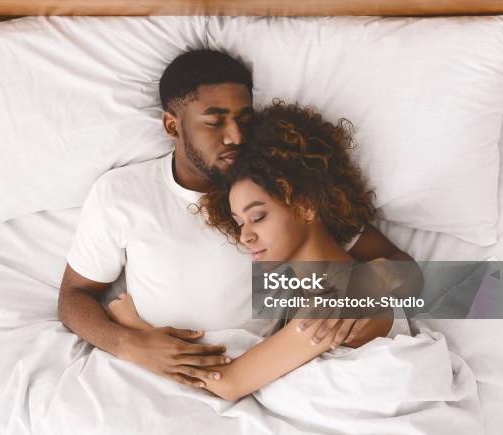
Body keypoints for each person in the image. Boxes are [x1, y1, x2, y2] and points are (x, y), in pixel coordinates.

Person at [58, 49, 422, 390]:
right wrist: (129, 342)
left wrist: (368, 287)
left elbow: (408, 271)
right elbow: (73, 296)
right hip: (156, 369)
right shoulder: (123, 192)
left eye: (244, 120)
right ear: (172, 126)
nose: (234, 136)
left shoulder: (281, 191)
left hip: (258, 370)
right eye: (214, 122)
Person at [106, 101, 412, 401]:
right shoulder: (310, 288)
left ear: (305, 205)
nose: (246, 236)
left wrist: (136, 329)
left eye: (258, 217)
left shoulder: (336, 303)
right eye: (239, 222)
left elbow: (227, 383)